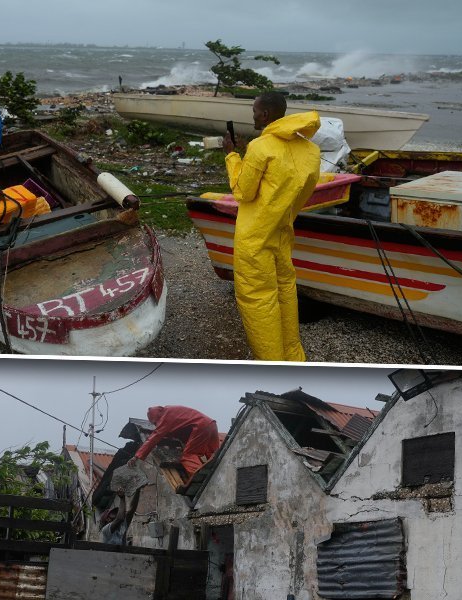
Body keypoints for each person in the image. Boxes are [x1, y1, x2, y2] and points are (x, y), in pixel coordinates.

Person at [222, 91, 322, 361]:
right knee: (286, 293)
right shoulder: (311, 151)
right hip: (282, 233)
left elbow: (243, 192)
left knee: (258, 299)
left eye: (254, 110)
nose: (253, 114)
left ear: (265, 114)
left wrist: (232, 156)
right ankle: (293, 357)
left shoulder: (260, 147)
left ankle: (270, 362)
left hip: (254, 239)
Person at [126, 405, 219, 479]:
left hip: (200, 427)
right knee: (215, 455)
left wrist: (136, 456)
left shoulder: (165, 417)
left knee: (188, 456)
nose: (156, 425)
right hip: (211, 425)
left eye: (155, 423)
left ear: (157, 417)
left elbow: (155, 437)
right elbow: (174, 431)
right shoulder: (171, 412)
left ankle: (202, 479)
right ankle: (219, 474)